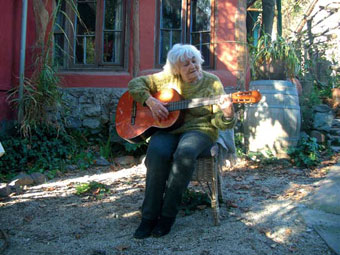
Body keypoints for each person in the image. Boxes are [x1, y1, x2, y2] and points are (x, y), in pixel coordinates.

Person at [127, 44, 235, 239]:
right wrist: (150, 101)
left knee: (184, 153)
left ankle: (167, 216)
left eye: (194, 61)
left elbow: (219, 123)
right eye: (185, 64)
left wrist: (227, 114)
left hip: (200, 129)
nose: (192, 66)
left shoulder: (212, 83)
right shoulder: (167, 79)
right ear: (176, 69)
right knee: (157, 152)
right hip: (169, 128)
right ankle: (149, 217)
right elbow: (135, 84)